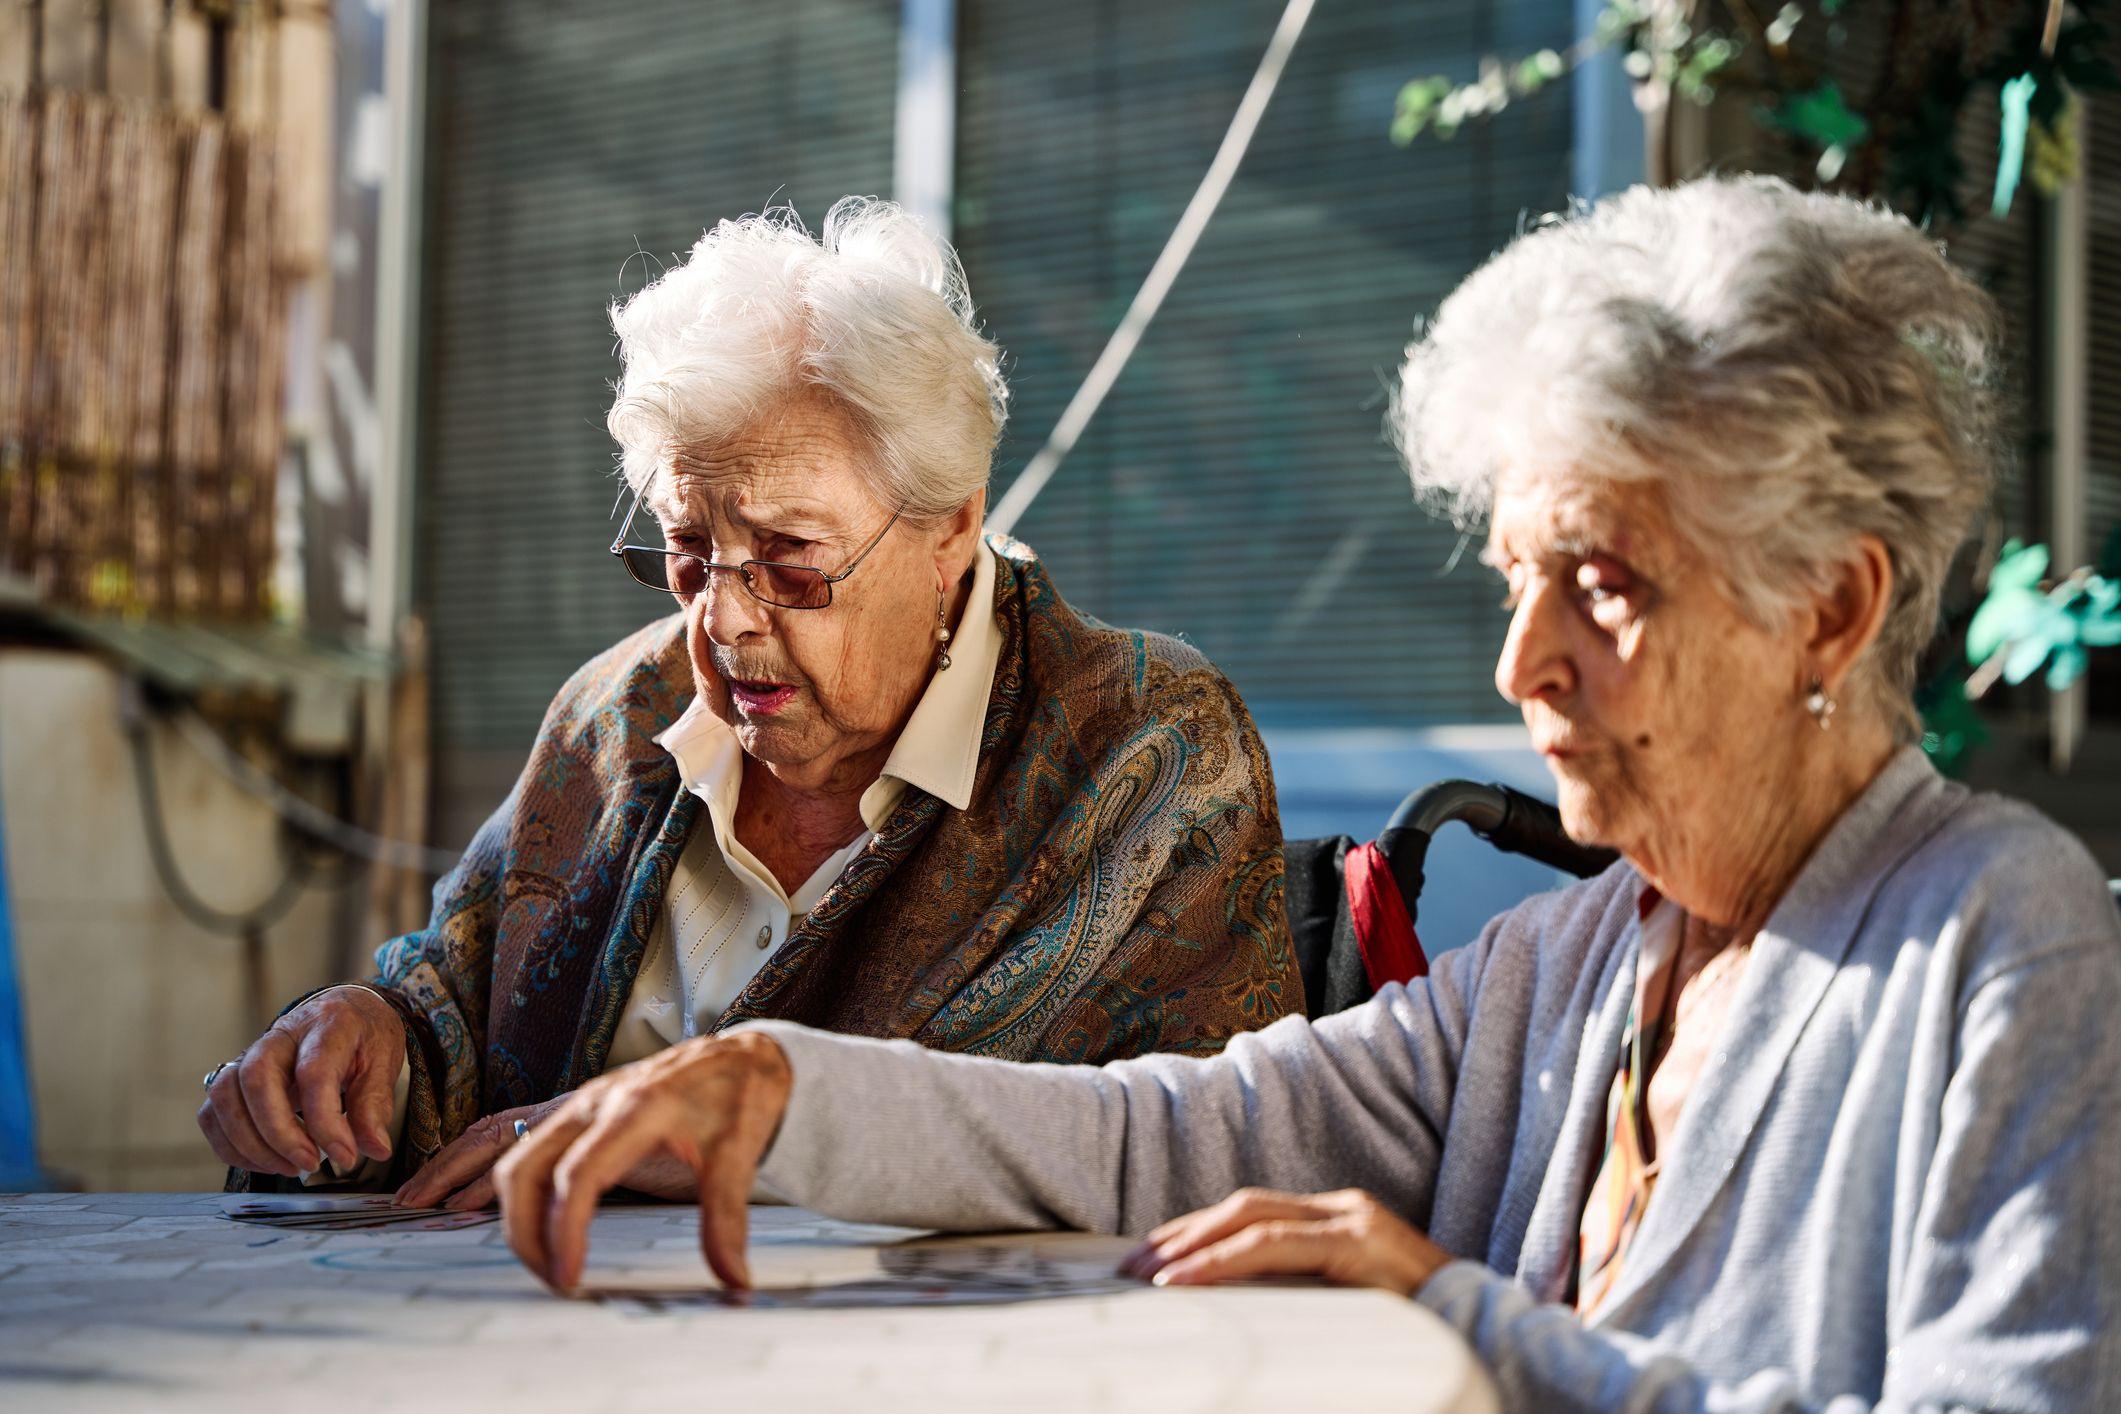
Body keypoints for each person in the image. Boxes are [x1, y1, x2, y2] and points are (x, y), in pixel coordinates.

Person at [493, 177, 2121, 1411]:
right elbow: (1170, 1130)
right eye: (1511, 580)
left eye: (1603, 584)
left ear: (1827, 608)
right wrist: (776, 1080)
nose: (1520, 664)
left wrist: (1460, 1313)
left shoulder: (1998, 937)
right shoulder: (1588, 961)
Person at [197, 198, 1299, 1206]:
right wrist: (361, 1041)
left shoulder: (1149, 751)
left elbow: (1212, 1152)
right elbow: (456, 1005)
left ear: (950, 531)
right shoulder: (618, 716)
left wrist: (745, 1135)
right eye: (688, 548)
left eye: (789, 553)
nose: (720, 621)